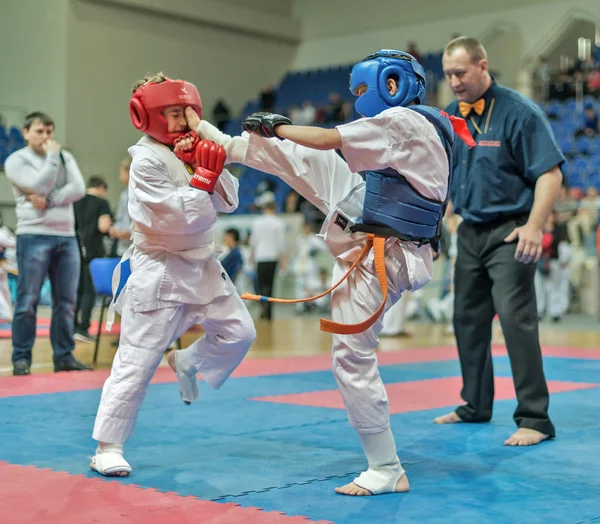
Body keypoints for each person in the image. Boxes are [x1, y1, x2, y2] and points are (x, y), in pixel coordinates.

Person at [190, 49, 474, 496]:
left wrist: (276, 126)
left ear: (393, 84)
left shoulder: (404, 122)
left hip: (385, 253)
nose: (360, 98)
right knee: (313, 164)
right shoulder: (423, 121)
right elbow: (321, 153)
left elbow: (325, 138)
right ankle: (228, 145)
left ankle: (385, 467)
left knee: (351, 356)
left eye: (364, 89)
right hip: (380, 231)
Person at [90, 73, 256, 477]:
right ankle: (107, 447)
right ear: (148, 116)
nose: (183, 121)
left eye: (187, 112)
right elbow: (174, 220)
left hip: (201, 263)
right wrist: (201, 179)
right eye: (173, 113)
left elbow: (230, 202)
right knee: (137, 361)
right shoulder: (145, 159)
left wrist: (208, 166)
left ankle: (187, 361)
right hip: (159, 268)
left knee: (240, 332)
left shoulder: (194, 146)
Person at [433, 36, 564, 446]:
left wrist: (534, 227)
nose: (453, 81)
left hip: (512, 231)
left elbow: (550, 174)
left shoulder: (520, 112)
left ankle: (535, 419)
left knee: (514, 319)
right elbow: (448, 175)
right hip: (470, 231)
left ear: (483, 66)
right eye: (448, 74)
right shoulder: (452, 116)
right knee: (466, 320)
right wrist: (445, 218)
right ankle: (475, 404)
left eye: (460, 72)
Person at [4, 111, 90, 375]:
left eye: (50, 132)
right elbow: (37, 185)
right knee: (27, 301)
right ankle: (21, 359)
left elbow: (79, 188)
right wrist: (52, 158)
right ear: (26, 132)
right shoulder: (15, 160)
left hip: (66, 236)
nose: (46, 137)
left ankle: (64, 356)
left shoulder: (67, 156)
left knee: (66, 302)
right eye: (40, 131)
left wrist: (50, 200)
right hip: (33, 235)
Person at [73, 176, 113, 343]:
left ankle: (71, 326)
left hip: (74, 249)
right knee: (89, 290)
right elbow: (104, 226)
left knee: (76, 289)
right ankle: (83, 327)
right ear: (102, 187)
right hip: (93, 252)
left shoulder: (75, 201)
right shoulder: (102, 203)